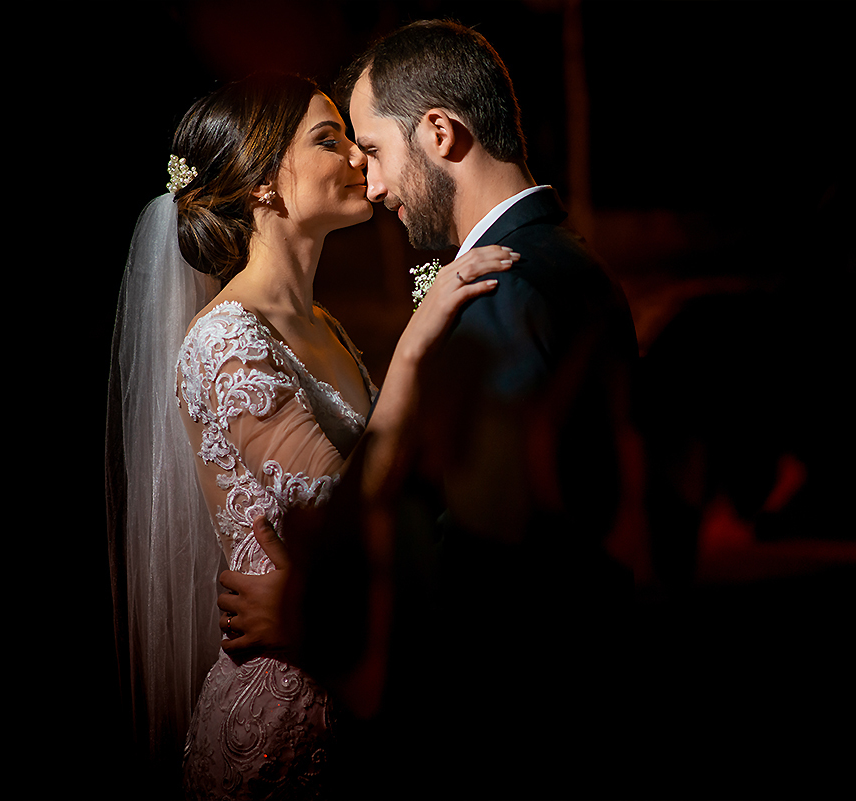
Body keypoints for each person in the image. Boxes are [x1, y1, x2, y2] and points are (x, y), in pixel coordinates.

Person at [220, 21, 641, 798]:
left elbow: (491, 580)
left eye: (375, 151)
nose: (370, 183)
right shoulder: (568, 262)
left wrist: (317, 615)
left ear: (440, 132)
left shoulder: (501, 291)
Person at [108, 71, 519, 800]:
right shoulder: (225, 343)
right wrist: (416, 344)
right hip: (282, 722)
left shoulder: (323, 326)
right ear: (264, 186)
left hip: (355, 686)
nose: (361, 159)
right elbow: (346, 515)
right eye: (330, 141)